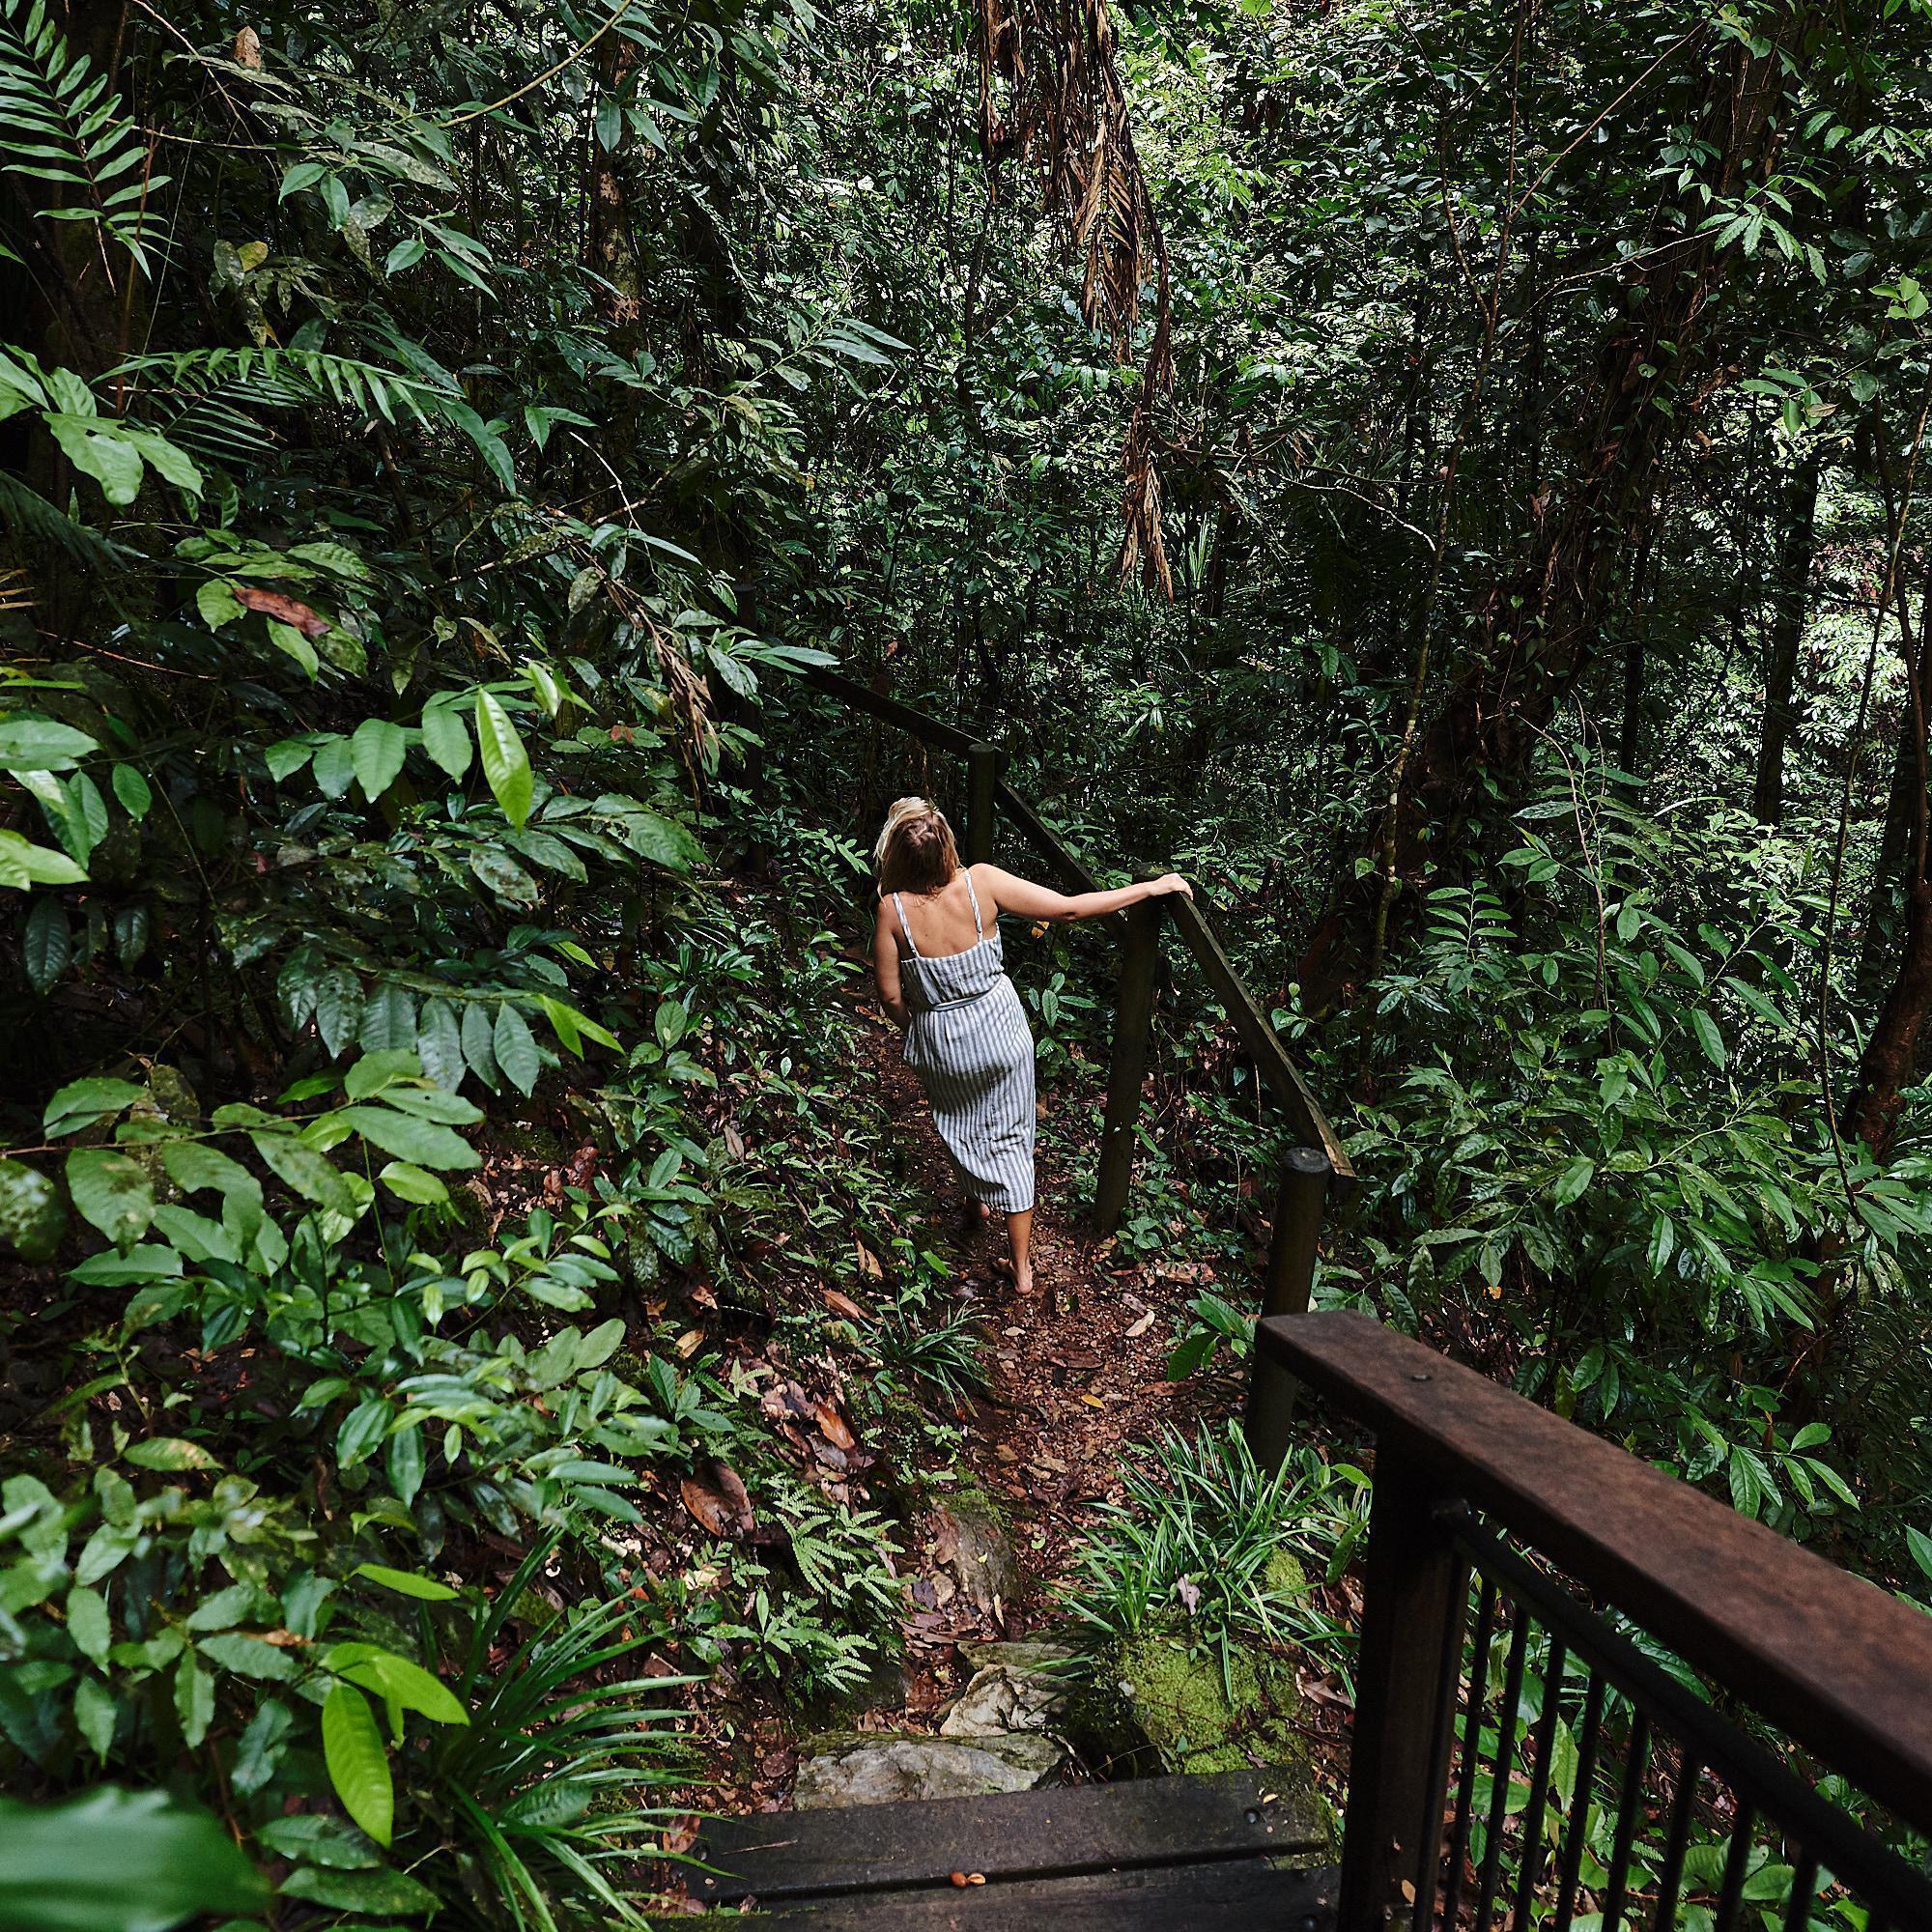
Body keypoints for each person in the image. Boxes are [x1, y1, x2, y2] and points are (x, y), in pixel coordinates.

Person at [870, 796, 1193, 1296]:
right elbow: (1067, 909)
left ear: (895, 859)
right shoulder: (982, 883)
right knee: (1015, 1141)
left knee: (956, 1118)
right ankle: (1022, 1270)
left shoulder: (893, 912)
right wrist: (1151, 887)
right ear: (946, 848)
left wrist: (920, 1026)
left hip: (944, 1043)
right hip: (1000, 1034)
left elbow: (890, 993)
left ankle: (977, 1201)